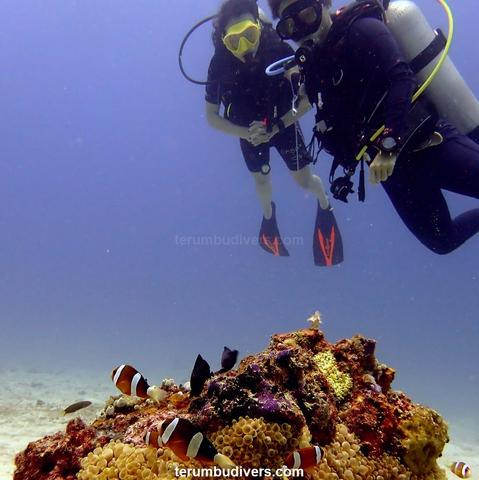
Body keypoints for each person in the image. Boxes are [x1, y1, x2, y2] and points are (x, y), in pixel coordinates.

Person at [267, 0, 479, 255]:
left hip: (427, 144)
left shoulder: (362, 29)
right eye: (289, 25)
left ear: (325, 3)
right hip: (393, 172)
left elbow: (401, 78)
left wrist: (390, 144)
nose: (301, 28)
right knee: (442, 241)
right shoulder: (314, 71)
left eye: (306, 13)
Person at [205, 0, 343, 265]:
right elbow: (211, 117)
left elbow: (306, 99)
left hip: (283, 123)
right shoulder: (219, 64)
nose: (245, 47)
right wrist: (246, 133)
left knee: (304, 181)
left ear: (258, 27)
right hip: (249, 132)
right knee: (262, 181)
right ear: (224, 41)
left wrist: (278, 125)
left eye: (249, 35)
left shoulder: (277, 48)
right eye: (234, 42)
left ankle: (324, 204)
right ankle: (269, 220)